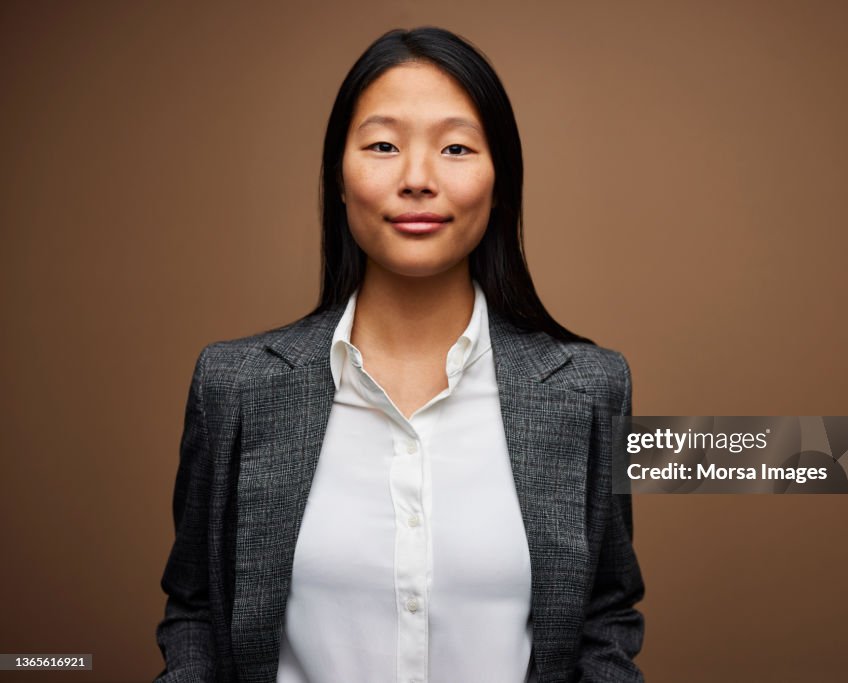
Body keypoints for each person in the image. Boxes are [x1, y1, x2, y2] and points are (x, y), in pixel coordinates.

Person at [155, 26, 644, 683]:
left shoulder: (589, 389)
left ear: (501, 181)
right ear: (338, 174)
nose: (417, 178)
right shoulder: (233, 386)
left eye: (455, 147)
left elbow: (605, 617)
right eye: (383, 145)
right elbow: (194, 610)